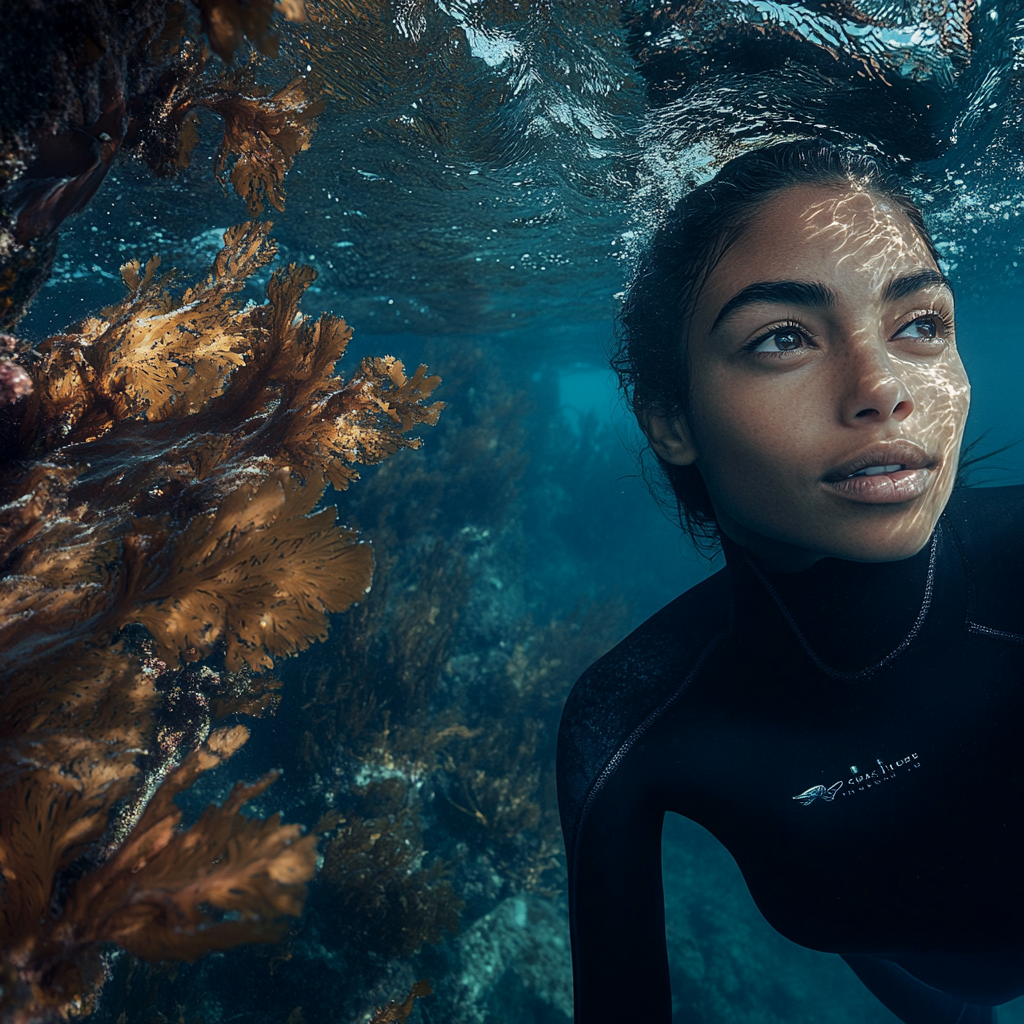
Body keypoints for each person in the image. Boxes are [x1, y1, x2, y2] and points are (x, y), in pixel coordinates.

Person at [556, 139, 1023, 1024]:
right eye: (783, 337)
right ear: (668, 417)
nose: (882, 389)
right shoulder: (631, 716)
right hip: (924, 994)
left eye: (920, 323)